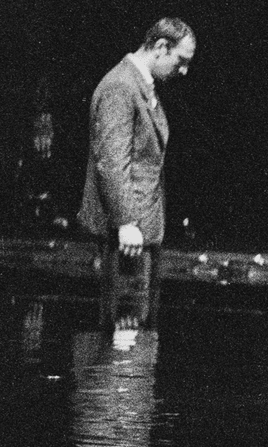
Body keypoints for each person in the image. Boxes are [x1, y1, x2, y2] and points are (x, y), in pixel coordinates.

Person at [77, 17, 197, 328]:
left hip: (140, 231)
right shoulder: (120, 86)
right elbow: (112, 160)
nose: (183, 71)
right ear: (160, 47)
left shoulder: (140, 85)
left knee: (136, 341)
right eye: (181, 61)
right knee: (125, 342)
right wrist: (126, 222)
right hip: (127, 236)